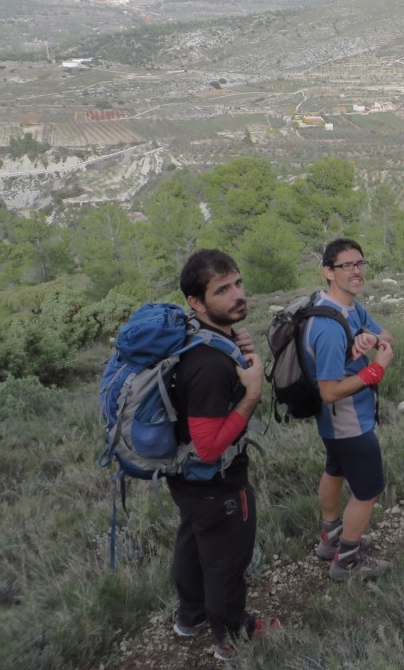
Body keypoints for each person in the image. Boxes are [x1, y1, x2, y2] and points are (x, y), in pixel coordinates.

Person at [168, 248, 279, 660]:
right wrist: (251, 394)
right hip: (217, 485)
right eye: (222, 289)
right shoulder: (207, 364)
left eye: (238, 283)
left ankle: (191, 615)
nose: (238, 294)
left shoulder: (196, 337)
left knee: (195, 542)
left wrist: (235, 342)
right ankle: (234, 636)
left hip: (186, 480)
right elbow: (210, 447)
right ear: (196, 302)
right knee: (226, 559)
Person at [302, 237, 394, 581]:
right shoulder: (328, 327)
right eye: (346, 266)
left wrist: (374, 340)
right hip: (348, 421)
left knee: (335, 470)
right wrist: (376, 370)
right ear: (328, 272)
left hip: (335, 424)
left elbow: (388, 336)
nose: (356, 271)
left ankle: (330, 538)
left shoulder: (350, 309)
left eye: (359, 263)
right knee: (368, 490)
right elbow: (328, 392)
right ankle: (347, 560)